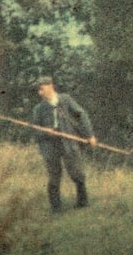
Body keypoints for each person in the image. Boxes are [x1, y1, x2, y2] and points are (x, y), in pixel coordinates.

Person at [32, 77, 97, 212]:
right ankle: (56, 208)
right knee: (54, 176)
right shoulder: (39, 108)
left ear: (50, 86)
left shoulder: (66, 100)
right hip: (50, 146)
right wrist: (46, 132)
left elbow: (81, 115)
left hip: (68, 141)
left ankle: (82, 202)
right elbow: (35, 131)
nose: (40, 93)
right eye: (38, 90)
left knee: (77, 172)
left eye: (41, 89)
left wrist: (90, 135)